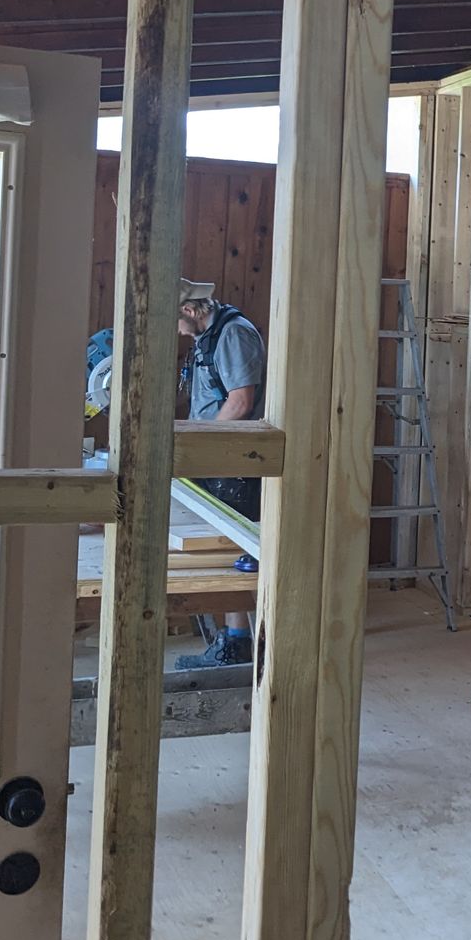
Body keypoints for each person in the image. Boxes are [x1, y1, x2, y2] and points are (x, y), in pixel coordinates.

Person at [175, 278, 266, 669]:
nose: (177, 331)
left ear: (192, 310)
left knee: (235, 553)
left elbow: (241, 402)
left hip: (232, 458)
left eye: (176, 320)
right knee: (225, 549)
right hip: (213, 451)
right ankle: (233, 641)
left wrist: (201, 444)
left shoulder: (234, 334)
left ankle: (237, 645)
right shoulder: (207, 337)